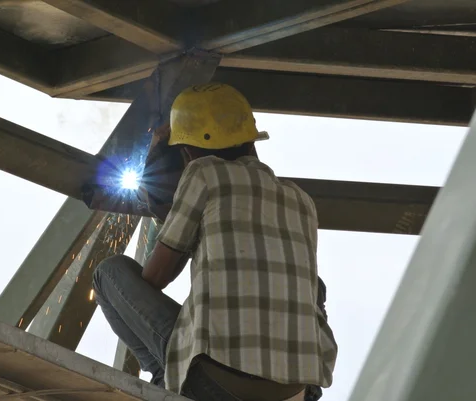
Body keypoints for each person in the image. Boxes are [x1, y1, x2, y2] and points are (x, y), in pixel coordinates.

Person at [92, 83, 337, 401]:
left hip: (217, 382)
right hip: (297, 390)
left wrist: (160, 198)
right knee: (312, 286)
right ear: (251, 140)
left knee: (110, 273)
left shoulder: (203, 173)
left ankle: (166, 378)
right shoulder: (301, 200)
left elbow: (155, 277)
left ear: (187, 152)